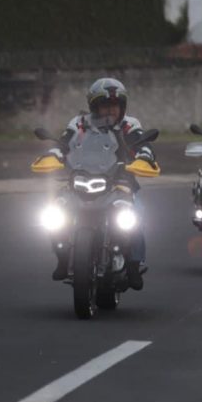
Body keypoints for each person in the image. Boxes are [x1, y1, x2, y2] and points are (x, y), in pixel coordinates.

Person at [49, 78, 154, 290]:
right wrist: (52, 154)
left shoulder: (130, 125)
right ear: (94, 107)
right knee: (55, 212)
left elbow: (141, 144)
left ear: (122, 106)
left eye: (115, 105)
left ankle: (133, 265)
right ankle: (62, 256)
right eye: (105, 105)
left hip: (119, 183)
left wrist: (145, 155)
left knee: (136, 215)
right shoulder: (79, 123)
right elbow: (63, 142)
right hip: (80, 179)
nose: (111, 110)